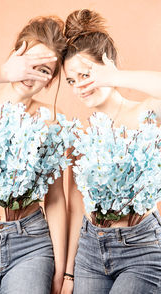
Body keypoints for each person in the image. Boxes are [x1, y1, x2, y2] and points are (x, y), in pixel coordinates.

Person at [0, 16, 67, 294]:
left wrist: (62, 271)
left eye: (42, 70)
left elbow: (56, 199)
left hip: (31, 244)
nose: (30, 75)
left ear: (51, 80)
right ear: (14, 56)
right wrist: (3, 71)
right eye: (27, 64)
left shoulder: (52, 122)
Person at [61, 9, 161, 294]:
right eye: (71, 80)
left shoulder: (145, 115)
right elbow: (76, 207)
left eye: (86, 74)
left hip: (141, 248)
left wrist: (117, 77)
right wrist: (68, 274)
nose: (79, 86)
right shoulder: (81, 135)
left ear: (108, 67)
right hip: (91, 251)